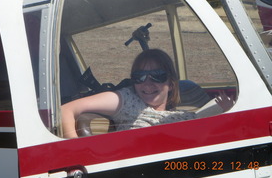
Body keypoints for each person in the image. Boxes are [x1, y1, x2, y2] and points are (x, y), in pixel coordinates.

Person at [62, 49, 233, 138]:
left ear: (171, 83)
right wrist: (74, 148)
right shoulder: (127, 100)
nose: (147, 83)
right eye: (139, 77)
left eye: (157, 76)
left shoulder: (185, 116)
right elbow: (65, 110)